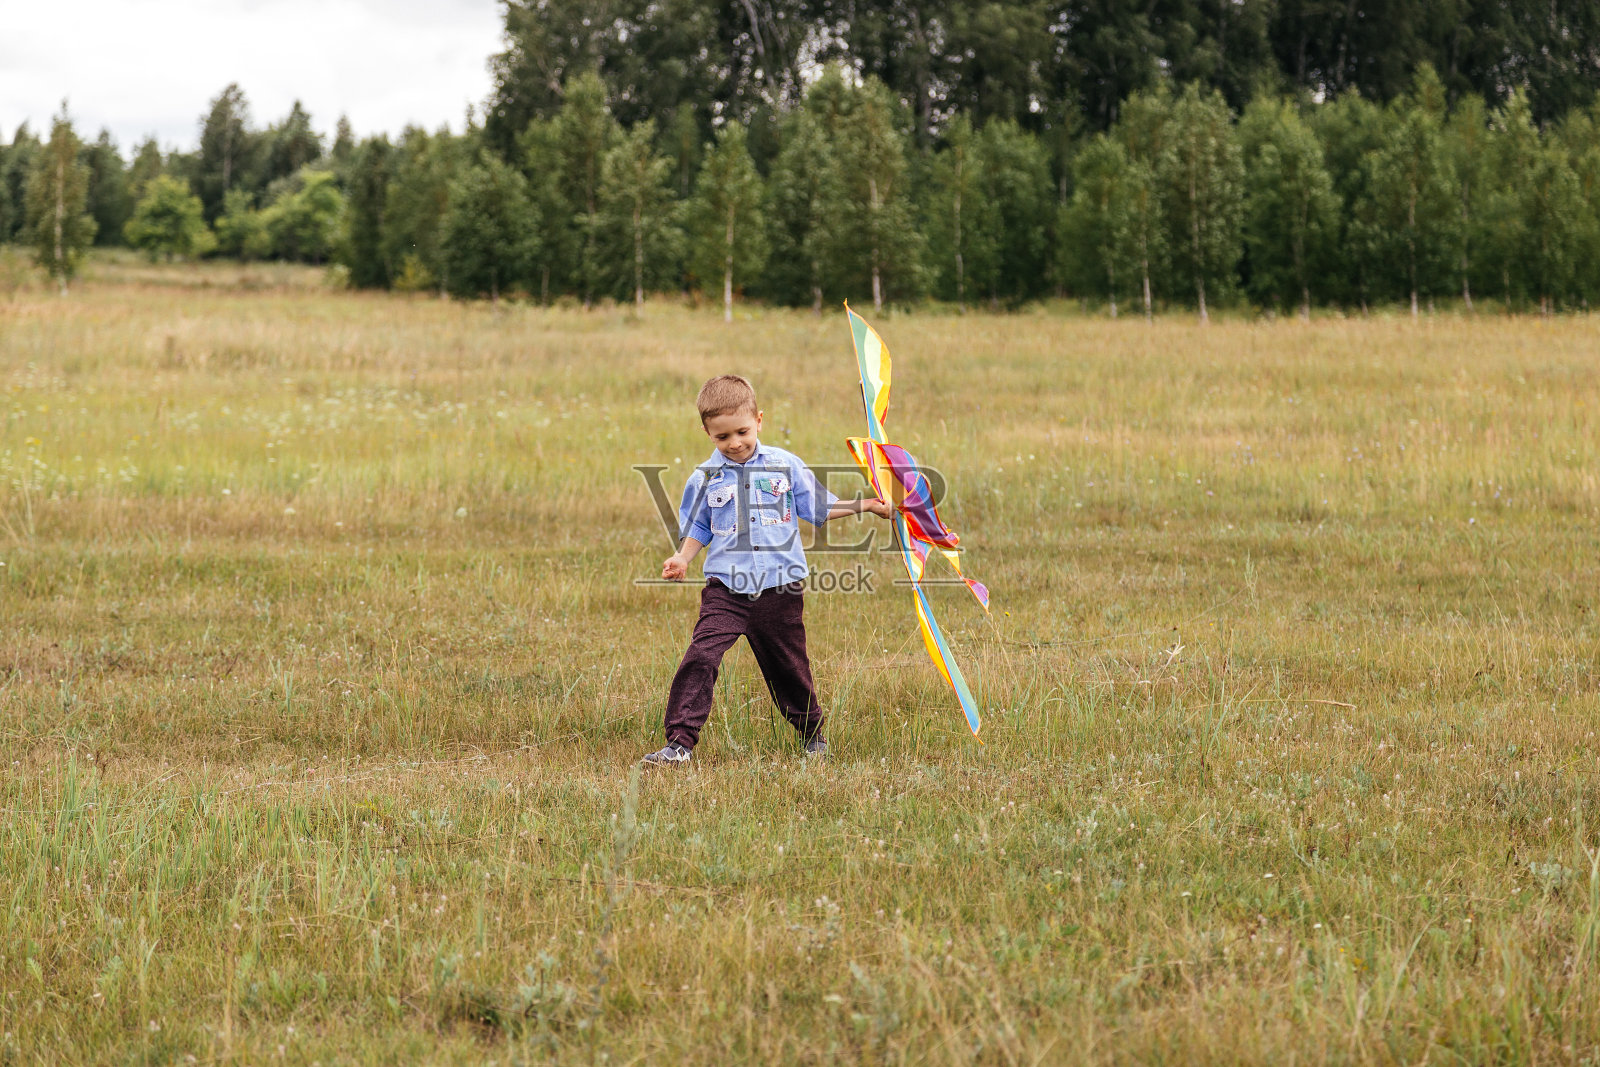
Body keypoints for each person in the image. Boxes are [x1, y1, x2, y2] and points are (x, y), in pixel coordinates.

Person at [643, 374, 890, 766]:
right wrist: (682, 558)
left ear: (759, 420)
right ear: (707, 433)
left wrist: (868, 505)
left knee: (789, 667)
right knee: (701, 656)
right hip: (726, 589)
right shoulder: (704, 478)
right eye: (722, 437)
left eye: (742, 431)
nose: (734, 443)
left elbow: (819, 507)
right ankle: (679, 744)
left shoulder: (784, 465)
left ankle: (812, 736)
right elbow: (698, 527)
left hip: (780, 588)